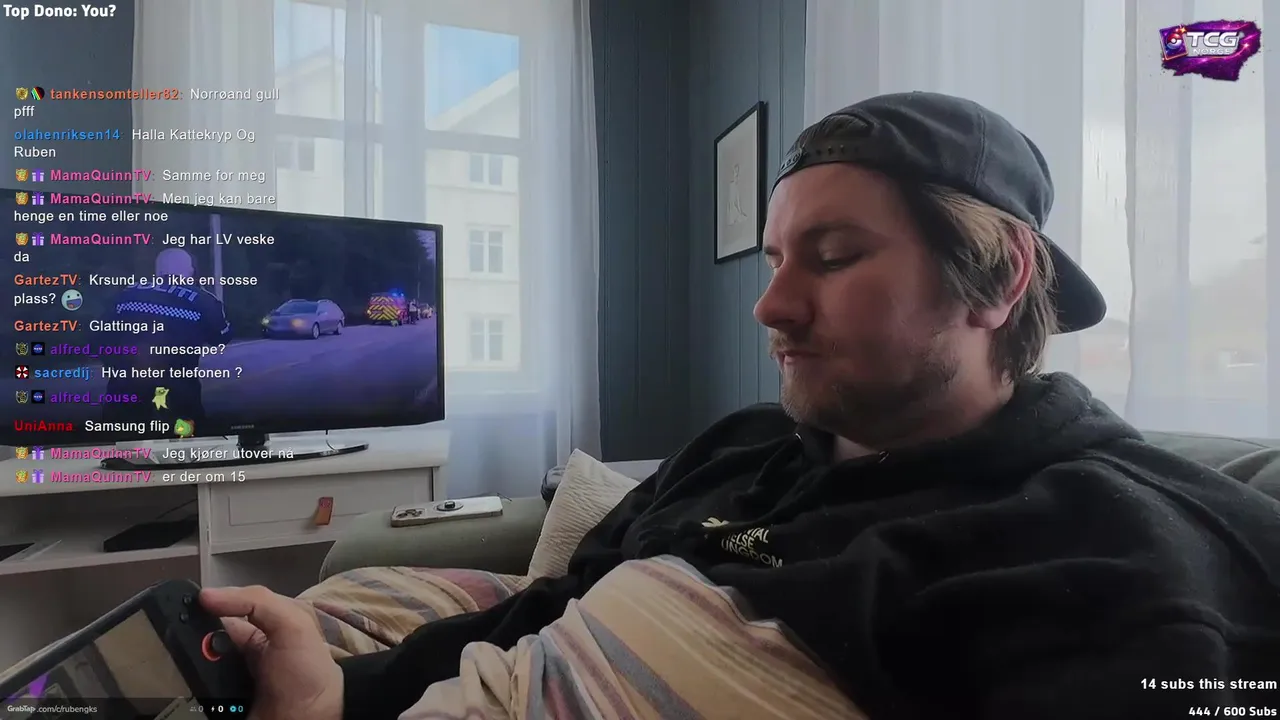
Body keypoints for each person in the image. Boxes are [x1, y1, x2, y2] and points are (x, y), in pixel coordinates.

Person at [200, 92, 1280, 719]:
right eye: (772, 259)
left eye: (834, 257)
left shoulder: (1113, 551)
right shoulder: (743, 446)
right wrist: (342, 696)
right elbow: (554, 608)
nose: (770, 306)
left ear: (996, 280)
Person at [101, 247, 232, 427]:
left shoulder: (126, 294)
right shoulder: (202, 298)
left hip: (127, 381)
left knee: (121, 431)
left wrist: (114, 365)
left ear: (158, 271)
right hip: (178, 382)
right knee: (187, 430)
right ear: (189, 271)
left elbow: (100, 334)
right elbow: (222, 337)